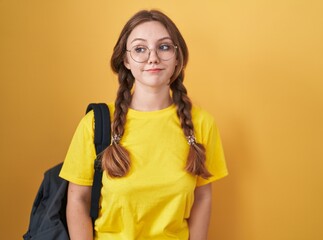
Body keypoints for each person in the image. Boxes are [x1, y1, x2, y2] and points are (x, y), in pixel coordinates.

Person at [59, 9, 228, 240]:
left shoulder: (202, 124)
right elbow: (78, 199)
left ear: (178, 57)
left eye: (164, 47)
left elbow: (202, 197)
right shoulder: (96, 124)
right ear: (126, 60)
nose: (153, 57)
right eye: (140, 49)